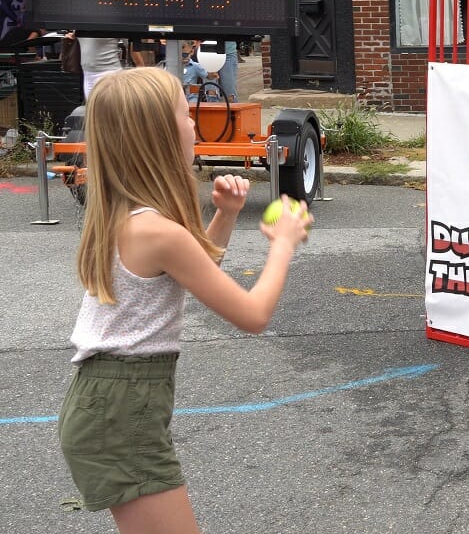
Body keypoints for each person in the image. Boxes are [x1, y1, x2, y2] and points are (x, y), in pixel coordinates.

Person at [57, 66, 312, 532]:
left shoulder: (129, 214)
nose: (194, 123)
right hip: (121, 408)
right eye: (184, 113)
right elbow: (252, 315)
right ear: (158, 136)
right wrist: (283, 244)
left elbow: (195, 273)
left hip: (111, 403)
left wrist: (227, 214)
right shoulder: (157, 230)